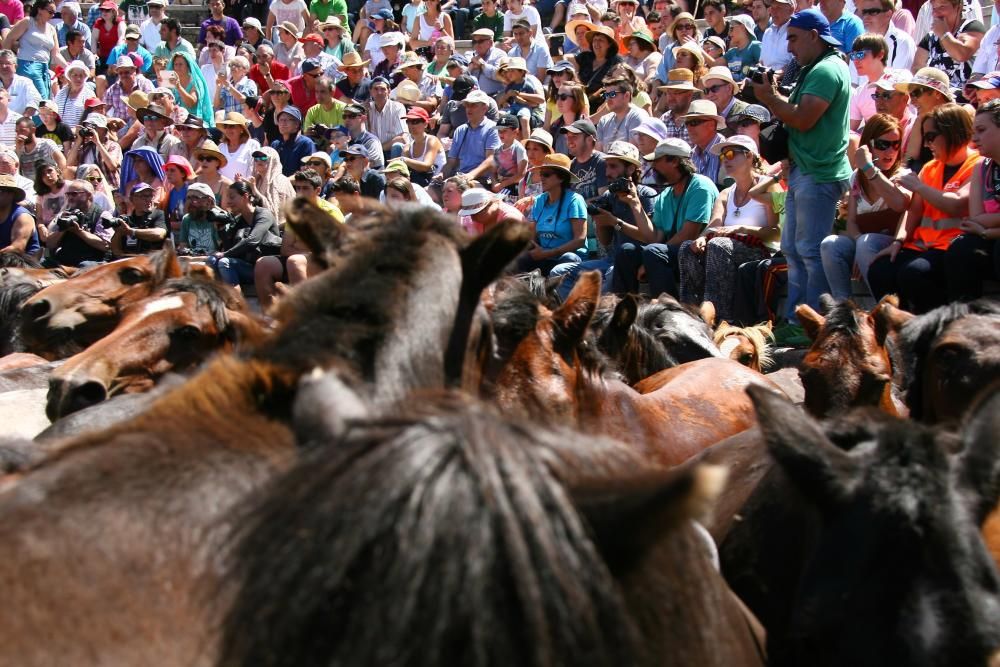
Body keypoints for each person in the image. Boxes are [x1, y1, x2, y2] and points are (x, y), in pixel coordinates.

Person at [750, 7, 851, 345]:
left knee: (809, 250)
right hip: (803, 171)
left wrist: (768, 97)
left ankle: (814, 323)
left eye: (793, 38)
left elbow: (803, 119)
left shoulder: (826, 70)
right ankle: (797, 319)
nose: (789, 47)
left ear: (813, 35)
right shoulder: (813, 68)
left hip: (820, 174)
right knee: (792, 249)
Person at [868, 103, 978, 313]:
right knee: (880, 271)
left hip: (950, 248)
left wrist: (918, 186)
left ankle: (931, 330)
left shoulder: (977, 164)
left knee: (913, 273)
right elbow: (914, 210)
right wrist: (899, 241)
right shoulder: (930, 167)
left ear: (952, 133)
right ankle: (896, 335)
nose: (927, 144)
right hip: (921, 245)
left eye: (931, 137)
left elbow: (956, 205)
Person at [678, 135, 780, 322]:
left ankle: (721, 318)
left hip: (761, 250)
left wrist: (742, 228)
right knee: (687, 248)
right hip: (727, 246)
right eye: (723, 156)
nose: (726, 160)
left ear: (749, 156)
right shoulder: (726, 193)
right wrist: (701, 238)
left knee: (718, 245)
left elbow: (776, 233)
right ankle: (690, 314)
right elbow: (714, 225)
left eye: (731, 154)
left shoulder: (769, 187)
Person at [820, 113, 910, 300]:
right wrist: (859, 244)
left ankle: (883, 309)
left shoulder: (903, 175)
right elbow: (851, 222)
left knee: (865, 243)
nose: (890, 151)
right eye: (883, 144)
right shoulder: (857, 176)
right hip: (865, 243)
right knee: (829, 244)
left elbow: (900, 204)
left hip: (894, 245)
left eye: (896, 144)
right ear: (869, 145)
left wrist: (870, 169)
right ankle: (844, 310)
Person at [614, 138, 718, 297]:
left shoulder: (700, 186)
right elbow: (655, 237)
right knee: (627, 251)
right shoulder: (666, 194)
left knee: (653, 252)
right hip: (673, 252)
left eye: (657, 161)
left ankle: (668, 310)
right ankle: (624, 308)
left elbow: (689, 234)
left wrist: (648, 261)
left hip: (696, 253)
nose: (652, 166)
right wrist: (634, 203)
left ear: (675, 161)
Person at [550, 141, 655, 299]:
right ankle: (571, 317)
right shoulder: (609, 196)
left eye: (613, 166)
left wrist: (614, 222)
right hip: (610, 259)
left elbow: (649, 239)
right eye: (606, 166)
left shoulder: (646, 194)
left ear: (631, 168)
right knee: (559, 272)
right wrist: (599, 221)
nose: (607, 172)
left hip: (632, 261)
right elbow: (605, 241)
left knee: (611, 276)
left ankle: (597, 317)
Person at [945, 98, 1000, 300]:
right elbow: (975, 217)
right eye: (973, 131)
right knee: (960, 249)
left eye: (982, 130)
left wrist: (986, 231)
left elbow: (981, 222)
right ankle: (964, 321)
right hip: (988, 236)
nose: (974, 138)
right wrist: (984, 229)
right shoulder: (981, 167)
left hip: (993, 238)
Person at [515, 153, 587, 275]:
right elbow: (532, 236)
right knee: (516, 261)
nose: (541, 178)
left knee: (568, 258)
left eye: (547, 174)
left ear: (562, 178)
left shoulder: (575, 200)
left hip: (566, 257)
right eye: (541, 174)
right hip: (543, 256)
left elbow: (579, 240)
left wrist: (548, 253)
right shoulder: (539, 201)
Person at [912, 0, 984, 89]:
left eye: (942, 7)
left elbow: (961, 55)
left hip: (963, 97)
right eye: (934, 8)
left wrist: (944, 34)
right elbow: (917, 67)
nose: (936, 13)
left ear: (958, 7)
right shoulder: (930, 37)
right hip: (935, 95)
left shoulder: (972, 27)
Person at [3, 0, 66, 98]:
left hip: (44, 67)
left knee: (43, 99)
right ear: (40, 10)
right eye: (50, 12)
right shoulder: (27, 22)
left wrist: (68, 67)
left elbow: (56, 54)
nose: (53, 15)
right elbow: (9, 39)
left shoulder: (52, 29)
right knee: (41, 99)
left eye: (54, 13)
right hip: (27, 65)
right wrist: (7, 61)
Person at [45, 179, 113, 267]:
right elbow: (50, 244)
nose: (70, 197)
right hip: (66, 259)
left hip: (92, 260)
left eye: (74, 194)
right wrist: (63, 229)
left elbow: (106, 245)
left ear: (88, 195)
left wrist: (79, 232)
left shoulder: (102, 215)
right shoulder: (65, 214)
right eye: (68, 194)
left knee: (84, 266)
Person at [444, 90, 500, 181]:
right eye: (467, 105)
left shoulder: (493, 129)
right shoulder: (460, 130)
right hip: (460, 177)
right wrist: (440, 175)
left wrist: (470, 175)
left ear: (484, 108)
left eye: (473, 105)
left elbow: (491, 159)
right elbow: (451, 162)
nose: (469, 109)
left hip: (482, 179)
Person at [571, 25, 623, 113]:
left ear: (609, 44)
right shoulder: (586, 57)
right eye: (595, 40)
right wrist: (575, 75)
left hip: (601, 105)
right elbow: (568, 59)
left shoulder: (615, 61)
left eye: (601, 40)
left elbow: (617, 88)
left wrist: (594, 98)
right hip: (578, 101)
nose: (596, 43)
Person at [110, 182, 167, 256]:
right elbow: (115, 250)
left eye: (150, 196)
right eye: (143, 196)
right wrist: (118, 232)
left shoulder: (158, 214)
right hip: (129, 261)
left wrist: (131, 232)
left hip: (151, 261)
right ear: (132, 199)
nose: (149, 199)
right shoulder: (127, 221)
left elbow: (159, 234)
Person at [858, 0, 916, 71]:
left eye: (873, 12)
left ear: (888, 15)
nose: (866, 17)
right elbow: (853, 80)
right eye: (864, 12)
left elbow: (898, 81)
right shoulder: (859, 42)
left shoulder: (903, 42)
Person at [244, 145, 296, 225]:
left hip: (278, 231)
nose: (259, 161)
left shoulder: (279, 181)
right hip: (260, 225)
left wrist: (254, 189)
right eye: (256, 158)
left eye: (264, 158)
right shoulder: (257, 179)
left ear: (273, 160)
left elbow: (274, 214)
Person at [680, 99, 725, 186]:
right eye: (687, 123)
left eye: (694, 122)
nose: (688, 128)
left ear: (712, 124)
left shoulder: (727, 152)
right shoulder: (690, 155)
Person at [594, 76, 647, 151]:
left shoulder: (637, 116)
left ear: (626, 95)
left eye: (612, 94)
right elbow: (598, 153)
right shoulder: (604, 120)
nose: (608, 99)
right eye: (606, 95)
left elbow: (632, 152)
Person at [397, 106, 443, 187]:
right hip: (418, 185)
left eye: (415, 121)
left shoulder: (432, 140)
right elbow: (403, 170)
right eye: (408, 122)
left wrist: (403, 159)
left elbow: (426, 166)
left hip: (436, 185)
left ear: (425, 124)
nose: (411, 125)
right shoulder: (407, 147)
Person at [167, 51, 214, 126]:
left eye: (181, 64)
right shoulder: (171, 80)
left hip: (193, 120)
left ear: (188, 66)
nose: (178, 67)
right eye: (176, 64)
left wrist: (179, 87)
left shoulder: (196, 82)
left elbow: (191, 103)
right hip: (175, 119)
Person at [700, 66, 749, 137]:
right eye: (706, 91)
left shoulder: (746, 112)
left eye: (714, 88)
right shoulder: (707, 114)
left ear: (729, 88)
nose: (710, 94)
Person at [457, 187, 525, 237]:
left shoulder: (511, 218)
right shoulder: (473, 220)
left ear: (490, 205)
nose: (472, 218)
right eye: (471, 214)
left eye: (476, 213)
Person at [15, 115, 63, 181]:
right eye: (17, 132)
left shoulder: (46, 144)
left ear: (33, 130)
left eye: (22, 131)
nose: (19, 134)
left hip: (48, 184)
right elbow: (15, 171)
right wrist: (18, 150)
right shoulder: (18, 149)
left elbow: (62, 162)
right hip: (29, 187)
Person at [270, 104, 315, 176]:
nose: (283, 123)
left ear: (297, 124)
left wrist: (285, 182)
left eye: (288, 120)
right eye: (281, 120)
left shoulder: (306, 143)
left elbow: (307, 172)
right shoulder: (275, 144)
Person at [0, 174, 39, 256]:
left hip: (25, 265)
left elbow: (16, 249)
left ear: (12, 194)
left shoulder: (22, 217)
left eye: (0, 191)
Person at [119, 145, 165, 211]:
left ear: (150, 163)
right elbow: (124, 211)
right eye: (135, 160)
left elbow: (152, 208)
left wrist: (127, 200)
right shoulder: (129, 185)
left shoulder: (159, 185)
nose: (136, 163)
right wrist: (120, 204)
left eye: (140, 160)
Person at [52, 59, 94, 128]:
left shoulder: (89, 94)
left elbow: (91, 118)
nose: (78, 78)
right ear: (69, 76)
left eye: (81, 75)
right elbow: (55, 112)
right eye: (75, 75)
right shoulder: (61, 93)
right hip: (62, 133)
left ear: (85, 77)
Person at [342, 102, 383, 168]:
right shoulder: (344, 140)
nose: (347, 119)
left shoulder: (371, 141)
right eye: (344, 116)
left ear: (363, 118)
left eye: (352, 116)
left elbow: (365, 167)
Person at [0, 49, 40, 114]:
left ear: (15, 67)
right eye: (0, 63)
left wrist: (24, 118)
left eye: (7, 63)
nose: (3, 66)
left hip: (20, 121)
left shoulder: (25, 82)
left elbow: (35, 100)